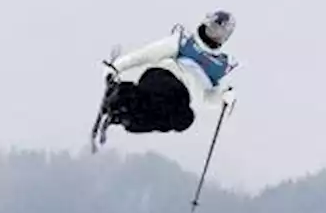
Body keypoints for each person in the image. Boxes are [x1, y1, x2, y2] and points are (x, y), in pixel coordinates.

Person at [101, 10, 237, 135]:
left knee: (182, 120)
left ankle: (124, 117)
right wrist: (117, 67)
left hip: (184, 98)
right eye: (213, 29)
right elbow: (147, 54)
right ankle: (120, 94)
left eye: (220, 34)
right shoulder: (185, 41)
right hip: (165, 76)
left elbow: (207, 98)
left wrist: (223, 97)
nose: (214, 35)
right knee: (166, 98)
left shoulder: (221, 65)